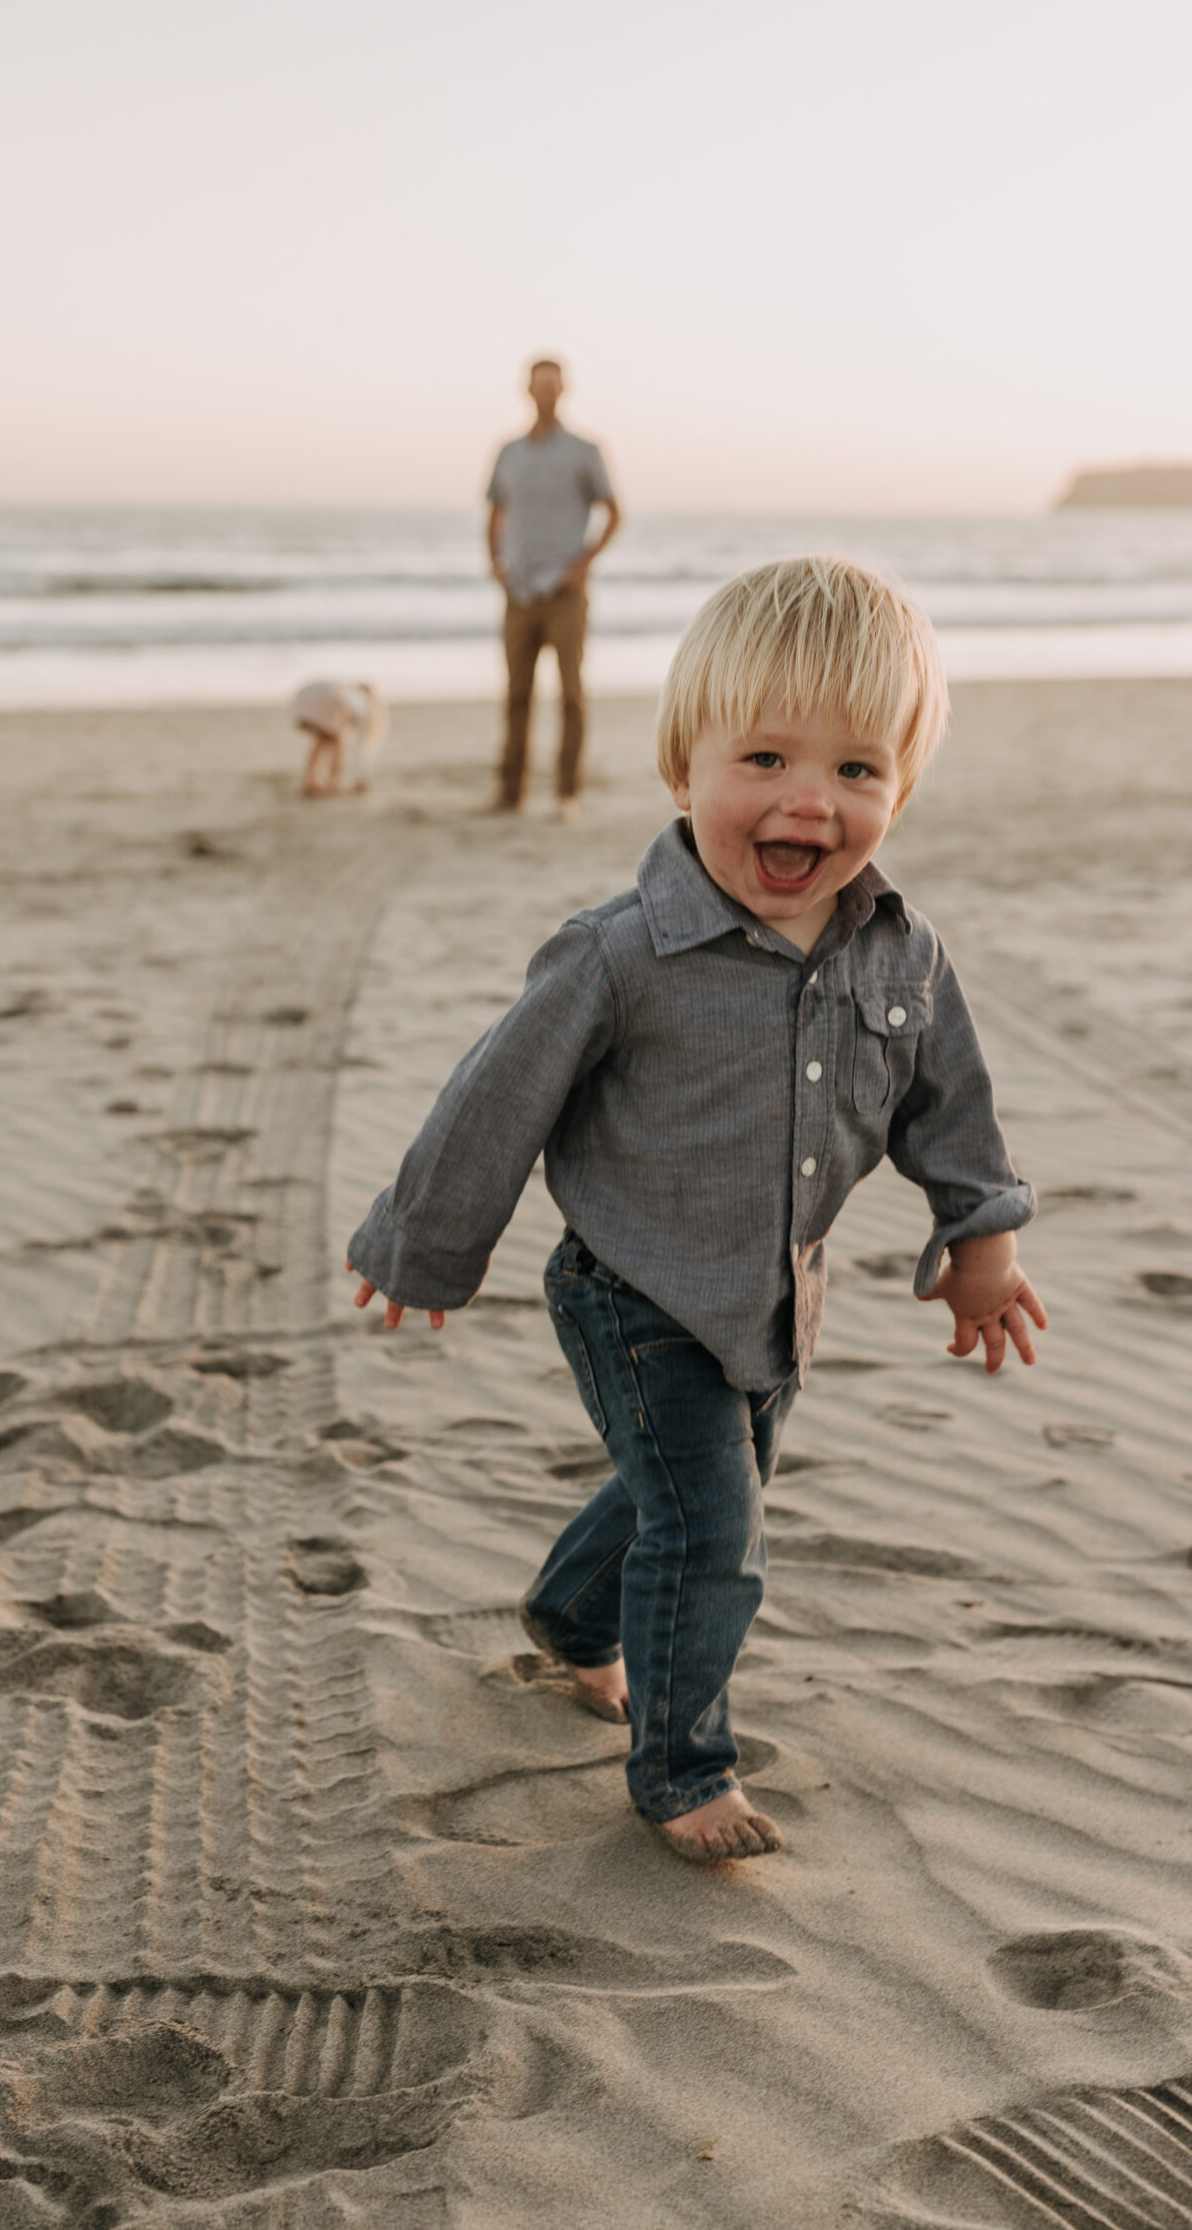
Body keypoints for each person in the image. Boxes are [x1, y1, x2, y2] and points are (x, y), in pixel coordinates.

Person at [346, 556, 1046, 1864]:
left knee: (679, 1490)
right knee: (710, 1529)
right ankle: (680, 1771)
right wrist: (422, 1247)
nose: (805, 800)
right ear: (682, 769)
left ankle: (568, 1616)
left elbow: (946, 1109)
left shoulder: (900, 953)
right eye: (764, 758)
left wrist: (978, 1245)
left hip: (774, 1293)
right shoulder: (618, 950)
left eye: (853, 771)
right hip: (627, 1285)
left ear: (897, 786)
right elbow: (495, 1098)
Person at [485, 358, 621, 821]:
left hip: (564, 591)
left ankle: (567, 795)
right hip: (519, 592)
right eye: (538, 384)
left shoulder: (585, 450)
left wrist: (584, 563)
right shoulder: (509, 452)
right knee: (516, 696)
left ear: (563, 390)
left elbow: (613, 511)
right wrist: (494, 561)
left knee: (570, 696)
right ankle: (510, 793)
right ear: (526, 389)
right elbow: (496, 509)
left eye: (552, 385)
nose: (545, 392)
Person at [291, 679, 388, 796]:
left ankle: (311, 780)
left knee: (323, 739)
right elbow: (360, 740)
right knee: (337, 741)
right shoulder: (361, 701)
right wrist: (361, 776)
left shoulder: (347, 690)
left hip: (304, 699)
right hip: (322, 701)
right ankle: (333, 781)